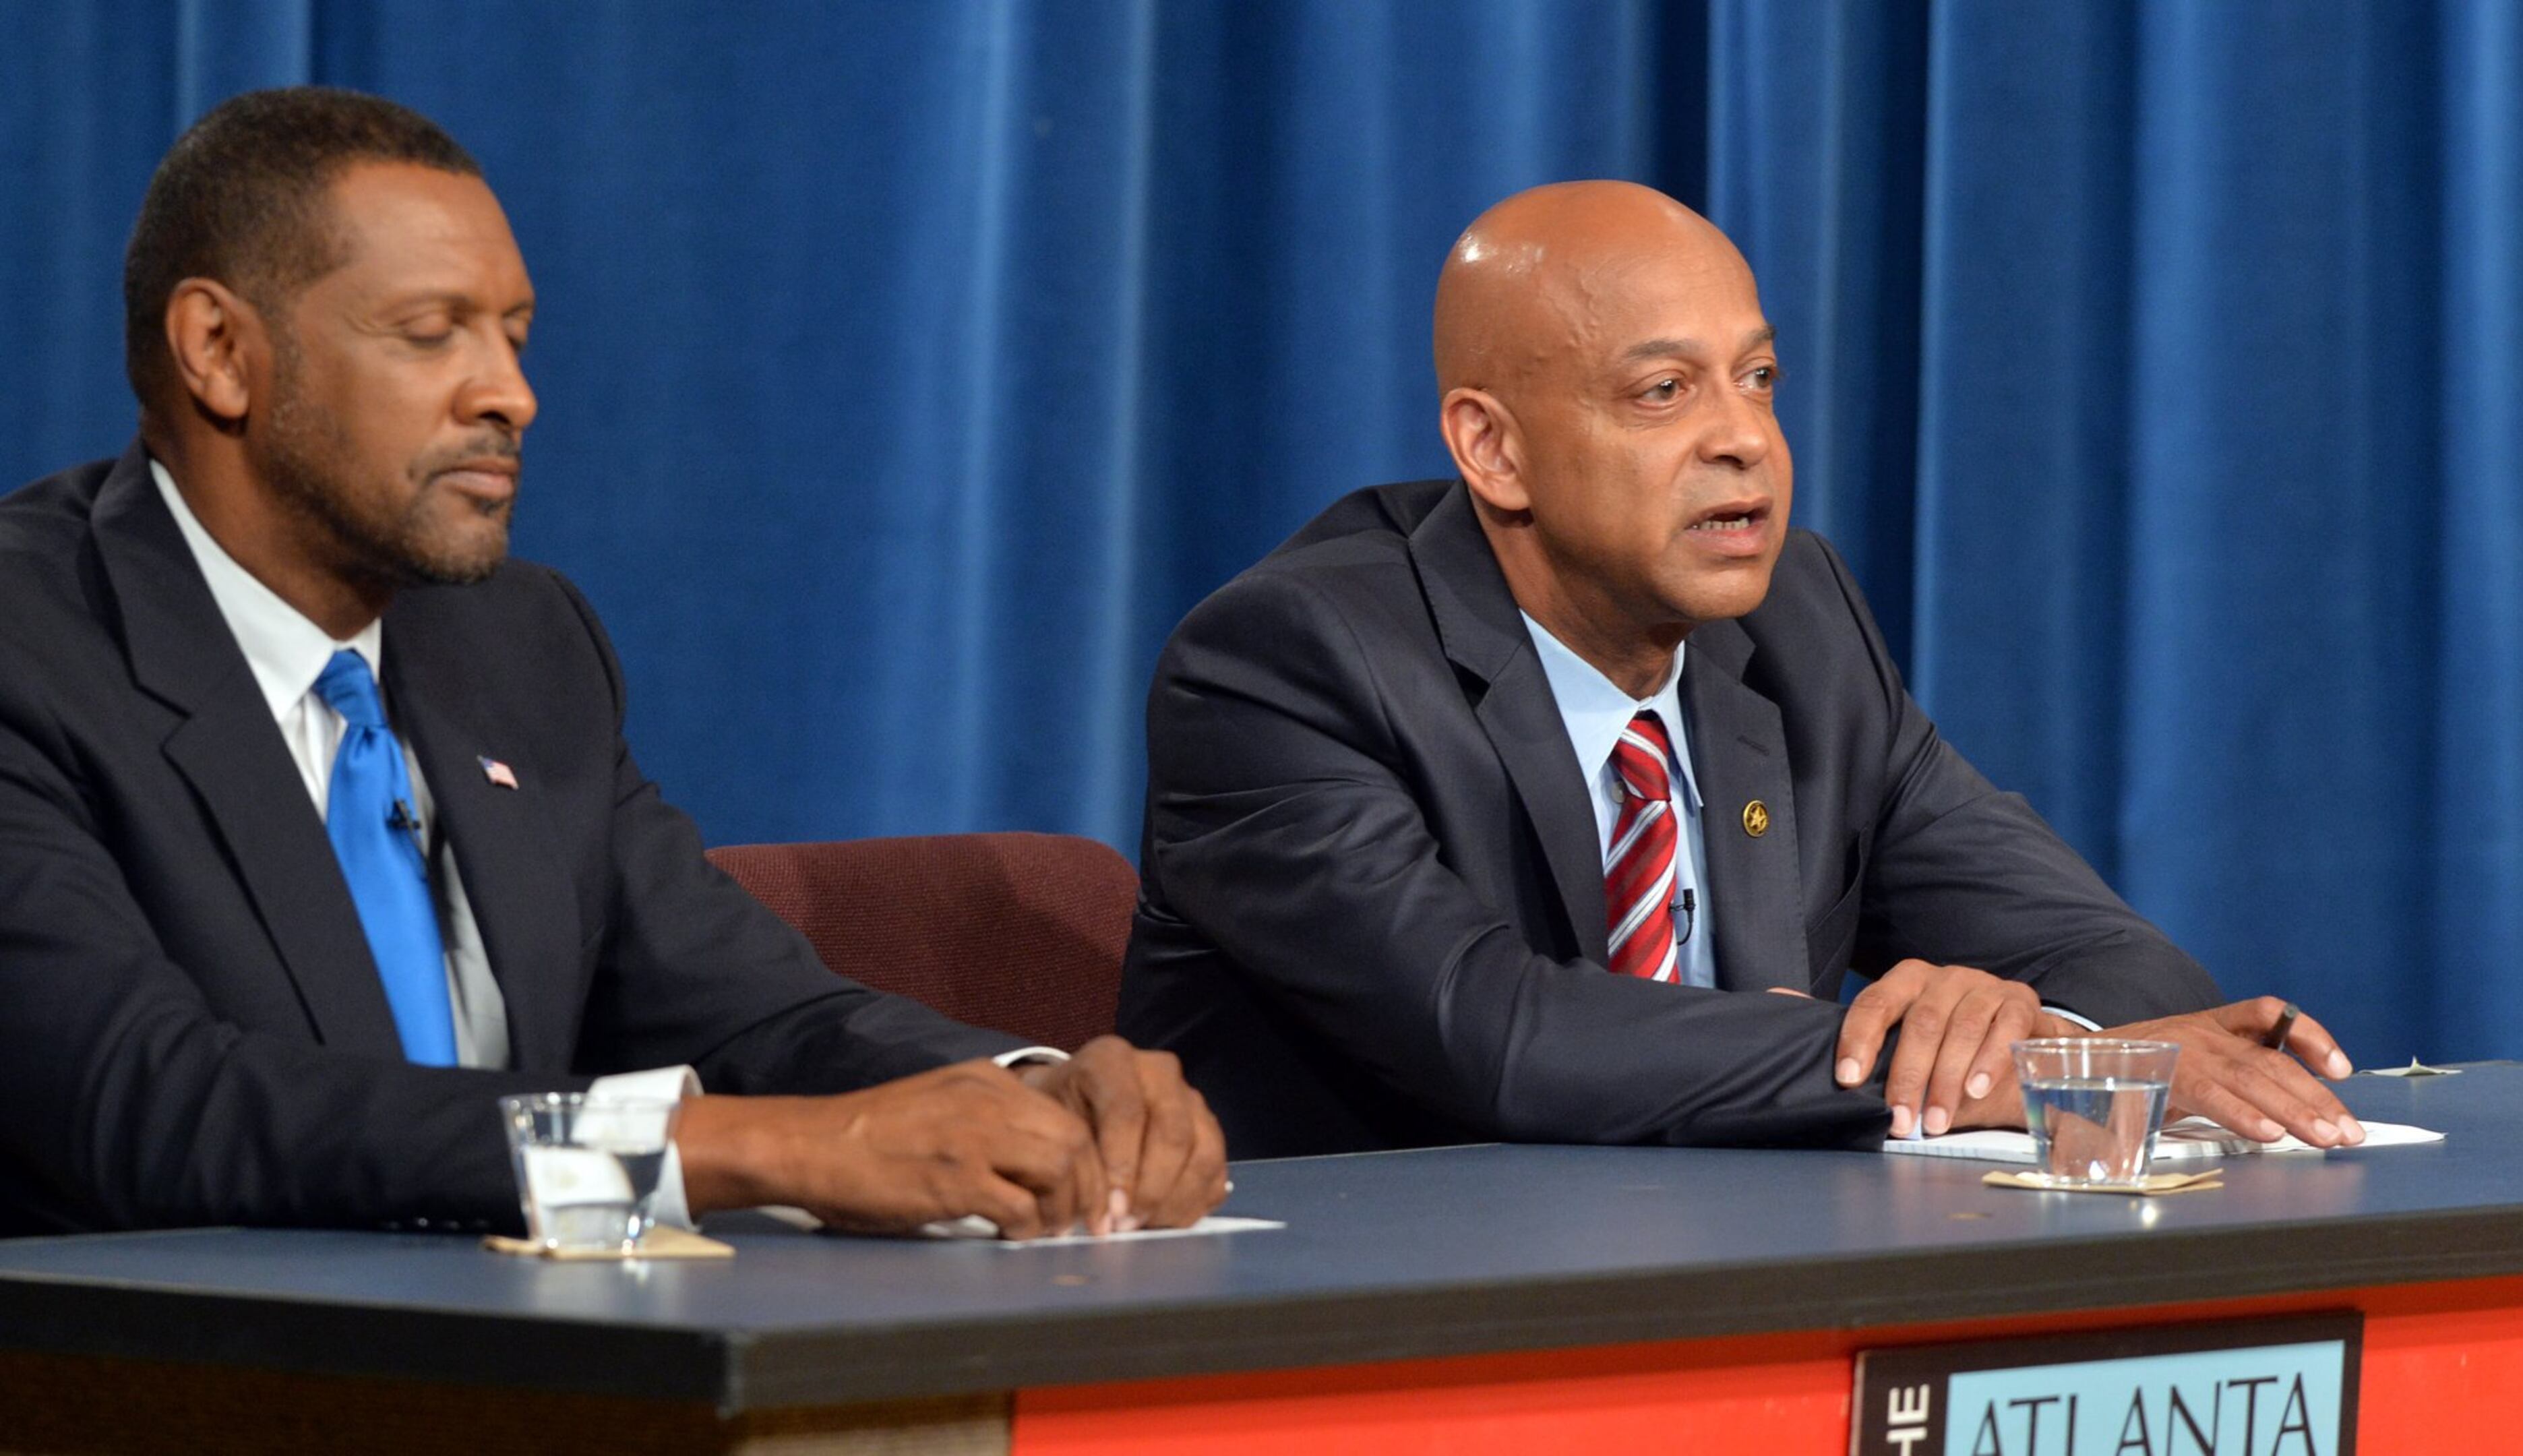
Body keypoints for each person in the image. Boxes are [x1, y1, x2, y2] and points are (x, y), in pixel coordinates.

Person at [0, 87, 1225, 1240]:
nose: (513, 394)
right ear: (219, 350)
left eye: (516, 336)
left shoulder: (519, 643)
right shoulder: (34, 647)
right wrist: (739, 1154)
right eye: (432, 335)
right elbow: (158, 1112)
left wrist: (1035, 1094)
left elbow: (746, 1007)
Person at [1119, 179, 2359, 1159]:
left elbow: (2118, 960)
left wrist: (2062, 1032)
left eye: (1758, 379)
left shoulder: (1798, 625)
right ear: (1492, 450)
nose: (1745, 441)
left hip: (1741, 1300)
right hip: (1369, 1342)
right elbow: (1503, 1040)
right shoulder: (1289, 664)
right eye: (1664, 392)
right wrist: (2005, 1072)